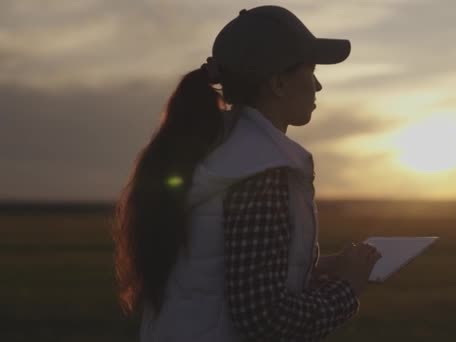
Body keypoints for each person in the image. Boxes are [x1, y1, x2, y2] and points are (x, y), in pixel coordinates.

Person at [112, 5, 382, 342]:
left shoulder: (213, 150)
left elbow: (219, 271)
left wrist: (322, 267)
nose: (318, 84)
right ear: (279, 83)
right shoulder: (260, 171)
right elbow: (264, 318)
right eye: (310, 70)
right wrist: (348, 288)